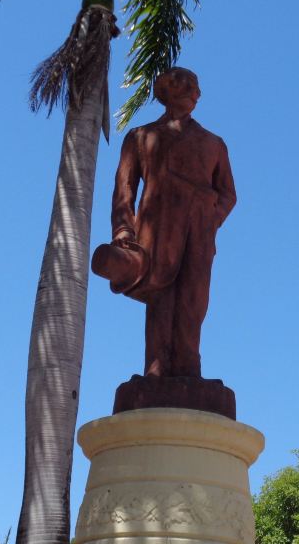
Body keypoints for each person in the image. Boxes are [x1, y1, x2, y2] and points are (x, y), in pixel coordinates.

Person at [108, 67, 236, 378]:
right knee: (161, 295)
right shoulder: (140, 137)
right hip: (159, 225)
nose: (196, 93)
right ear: (168, 89)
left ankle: (189, 366)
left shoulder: (213, 143)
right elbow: (125, 188)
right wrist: (124, 229)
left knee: (195, 296)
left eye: (197, 86)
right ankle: (156, 367)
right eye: (190, 85)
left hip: (200, 230)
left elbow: (228, 194)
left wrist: (208, 217)